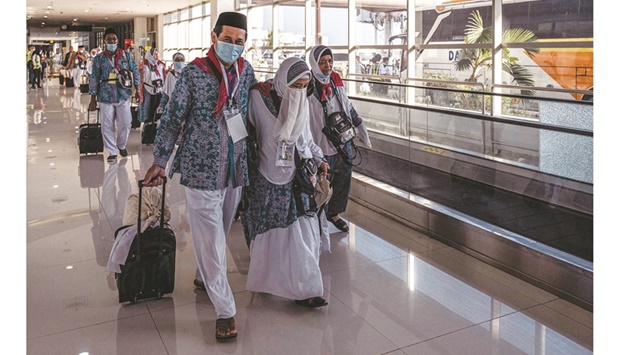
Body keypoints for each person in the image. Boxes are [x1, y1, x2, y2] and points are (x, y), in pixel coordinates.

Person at [142, 12, 256, 342]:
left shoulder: (245, 71)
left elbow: (250, 109)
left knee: (219, 233)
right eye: (228, 39)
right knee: (210, 241)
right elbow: (172, 119)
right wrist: (161, 160)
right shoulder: (194, 73)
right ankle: (225, 310)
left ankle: (202, 275)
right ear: (213, 36)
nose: (233, 46)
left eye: (239, 42)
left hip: (235, 167)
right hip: (201, 168)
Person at [241, 57, 330, 308]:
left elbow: (307, 139)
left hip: (297, 179)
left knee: (301, 233)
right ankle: (269, 280)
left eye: (304, 86)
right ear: (282, 81)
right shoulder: (258, 99)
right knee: (270, 233)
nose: (299, 91)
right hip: (266, 179)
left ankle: (306, 288)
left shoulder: (302, 102)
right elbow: (247, 134)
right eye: (295, 85)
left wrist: (319, 158)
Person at [307, 45, 372, 233]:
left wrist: (360, 125)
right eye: (322, 62)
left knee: (343, 178)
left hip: (342, 142)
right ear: (314, 63)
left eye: (330, 61)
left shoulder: (335, 81)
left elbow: (347, 106)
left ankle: (333, 213)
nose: (327, 65)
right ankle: (317, 216)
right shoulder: (308, 85)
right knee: (321, 182)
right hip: (319, 142)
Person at [88, 27, 142, 164]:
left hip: (122, 94)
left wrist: (138, 90)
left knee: (126, 123)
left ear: (117, 40)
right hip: (105, 95)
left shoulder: (125, 55)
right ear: (104, 41)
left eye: (114, 39)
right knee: (107, 125)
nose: (112, 41)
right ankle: (112, 151)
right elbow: (94, 77)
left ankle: (121, 145)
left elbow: (135, 71)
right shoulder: (99, 59)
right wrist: (92, 98)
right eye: (109, 39)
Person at [138, 48, 166, 124]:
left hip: (159, 88)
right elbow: (140, 76)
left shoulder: (160, 64)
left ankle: (157, 120)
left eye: (157, 54)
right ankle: (147, 121)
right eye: (155, 55)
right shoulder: (144, 65)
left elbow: (164, 75)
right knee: (147, 104)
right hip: (148, 88)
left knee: (159, 105)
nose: (157, 56)